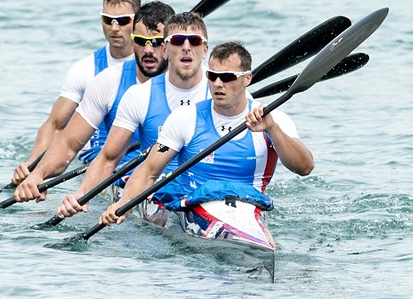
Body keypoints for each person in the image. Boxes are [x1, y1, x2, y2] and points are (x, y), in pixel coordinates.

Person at [99, 41, 314, 226]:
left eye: (227, 77)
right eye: (212, 76)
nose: (218, 84)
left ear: (247, 78)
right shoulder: (186, 118)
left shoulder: (272, 118)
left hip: (249, 209)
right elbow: (149, 171)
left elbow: (305, 167)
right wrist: (123, 205)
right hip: (193, 209)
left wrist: (272, 129)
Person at [13, 1, 175, 203]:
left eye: (157, 42)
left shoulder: (202, 86)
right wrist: (38, 175)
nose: (149, 50)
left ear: (170, 44)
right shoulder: (108, 81)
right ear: (132, 41)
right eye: (141, 41)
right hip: (122, 173)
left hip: (179, 178)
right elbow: (69, 143)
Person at [56, 11, 212, 218]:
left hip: (206, 188)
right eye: (177, 41)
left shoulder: (223, 93)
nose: (186, 47)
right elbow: (109, 158)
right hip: (155, 188)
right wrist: (81, 195)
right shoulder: (140, 95)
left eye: (194, 41)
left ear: (205, 50)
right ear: (165, 50)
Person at [11, 0, 141, 185]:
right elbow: (55, 125)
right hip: (100, 161)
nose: (114, 28)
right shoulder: (85, 69)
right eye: (108, 20)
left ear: (138, 20)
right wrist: (33, 167)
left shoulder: (156, 63)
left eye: (123, 20)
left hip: (143, 157)